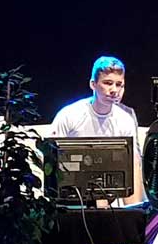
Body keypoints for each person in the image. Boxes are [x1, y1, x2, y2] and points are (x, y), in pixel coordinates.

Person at [50, 56, 142, 205]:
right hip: (71, 193)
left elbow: (133, 165)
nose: (114, 90)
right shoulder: (69, 115)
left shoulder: (125, 120)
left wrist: (134, 211)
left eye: (119, 85)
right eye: (108, 83)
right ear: (93, 84)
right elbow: (51, 158)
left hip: (108, 190)